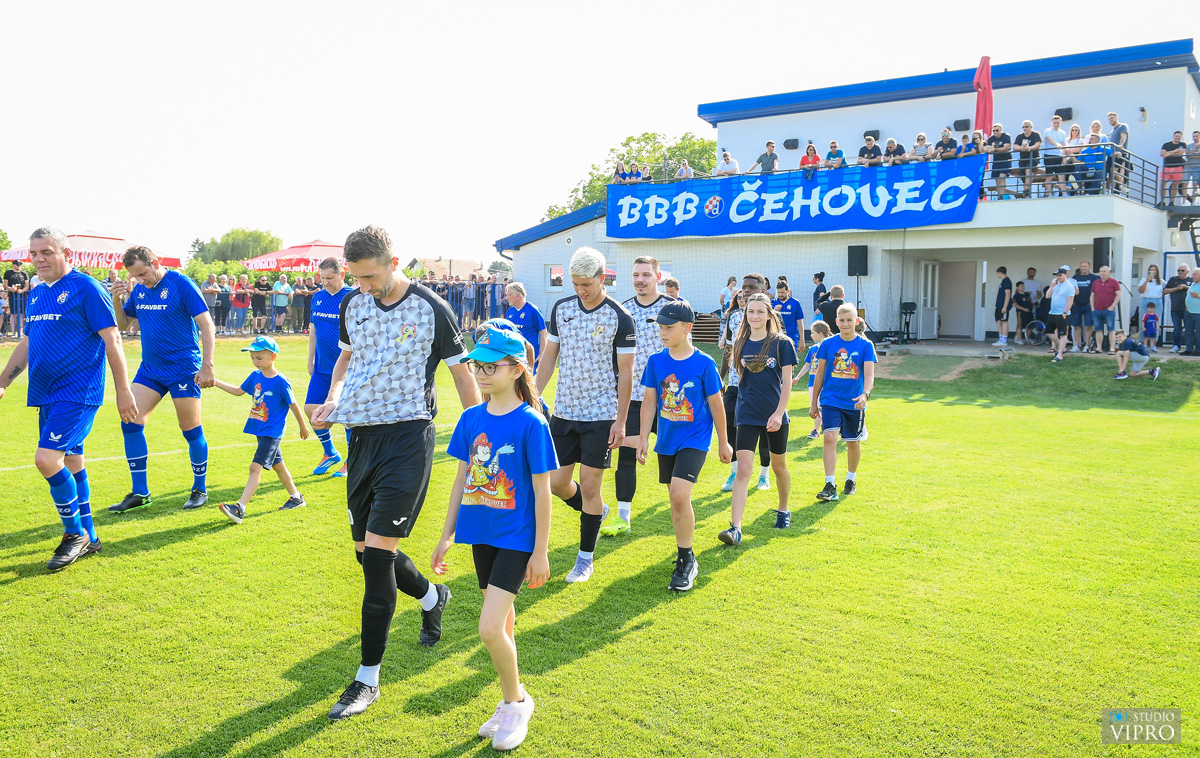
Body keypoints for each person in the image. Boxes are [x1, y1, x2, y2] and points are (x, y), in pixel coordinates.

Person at [311, 225, 480, 721]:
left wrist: (482, 441)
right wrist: (333, 398)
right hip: (360, 439)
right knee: (365, 553)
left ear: (394, 262)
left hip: (408, 439)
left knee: (379, 556)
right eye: (356, 278)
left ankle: (367, 679)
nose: (363, 286)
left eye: (370, 277)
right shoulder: (353, 304)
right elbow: (345, 360)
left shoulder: (432, 308)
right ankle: (431, 597)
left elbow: (463, 377)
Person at [431, 326, 554, 752]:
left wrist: (541, 552)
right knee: (502, 624)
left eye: (491, 367)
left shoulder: (532, 423)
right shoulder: (470, 419)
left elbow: (543, 491)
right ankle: (510, 697)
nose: (481, 374)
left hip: (517, 538)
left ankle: (516, 702)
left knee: (487, 628)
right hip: (480, 534)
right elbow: (461, 479)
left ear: (516, 369)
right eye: (477, 366)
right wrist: (446, 535)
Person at [0, 227, 137, 571]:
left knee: (47, 460)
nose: (39, 259)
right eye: (34, 254)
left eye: (47, 252)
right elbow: (28, 342)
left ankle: (74, 534)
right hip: (45, 393)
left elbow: (113, 339)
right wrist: (3, 381)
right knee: (72, 461)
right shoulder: (36, 293)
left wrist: (123, 391)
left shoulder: (87, 288)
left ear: (66, 254)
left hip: (77, 392)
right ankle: (90, 536)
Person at [536, 247, 636, 582]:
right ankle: (598, 512)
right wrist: (533, 394)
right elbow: (549, 356)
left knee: (591, 487)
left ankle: (584, 560)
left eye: (587, 284)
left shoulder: (620, 317)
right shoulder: (561, 309)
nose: (581, 290)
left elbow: (626, 373)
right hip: (564, 412)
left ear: (602, 278)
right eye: (576, 284)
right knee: (556, 483)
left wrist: (621, 420)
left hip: (601, 415)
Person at [108, 245, 216, 514]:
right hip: (151, 369)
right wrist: (117, 299)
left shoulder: (181, 284)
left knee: (190, 429)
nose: (140, 280)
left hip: (183, 369)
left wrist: (207, 366)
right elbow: (123, 324)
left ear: (155, 263)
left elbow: (206, 324)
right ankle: (140, 493)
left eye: (143, 273)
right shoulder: (140, 289)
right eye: (135, 276)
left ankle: (199, 489)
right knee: (130, 423)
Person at [635, 301, 731, 588]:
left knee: (679, 494)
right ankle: (684, 553)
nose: (662, 332)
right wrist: (643, 437)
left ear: (688, 327)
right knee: (676, 500)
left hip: (695, 438)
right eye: (660, 327)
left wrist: (724, 443)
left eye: (669, 327)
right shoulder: (655, 361)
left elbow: (716, 404)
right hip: (667, 440)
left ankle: (686, 560)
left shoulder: (705, 363)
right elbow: (649, 401)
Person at [720, 292, 795, 546]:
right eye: (750, 311)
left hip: (775, 415)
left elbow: (787, 383)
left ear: (769, 314)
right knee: (743, 469)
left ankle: (783, 509)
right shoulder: (740, 342)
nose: (755, 316)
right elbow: (742, 379)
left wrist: (778, 413)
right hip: (747, 415)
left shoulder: (782, 343)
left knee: (778, 467)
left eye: (760, 311)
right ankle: (735, 528)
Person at [608, 256, 674, 539]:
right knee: (626, 455)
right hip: (633, 396)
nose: (640, 280)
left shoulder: (672, 308)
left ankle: (679, 507)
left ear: (657, 277)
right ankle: (623, 517)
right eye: (636, 274)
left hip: (670, 396)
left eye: (646, 275)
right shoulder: (623, 310)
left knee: (672, 455)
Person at [212, 336, 309, 522]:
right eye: (252, 358)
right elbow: (238, 391)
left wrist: (303, 426)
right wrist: (216, 382)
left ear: (273, 357)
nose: (255, 362)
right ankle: (296, 498)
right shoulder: (255, 376)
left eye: (259, 358)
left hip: (272, 432)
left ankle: (240, 508)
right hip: (260, 429)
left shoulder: (281, 381)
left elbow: (293, 405)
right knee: (278, 465)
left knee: (255, 468)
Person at [811, 303, 876, 501]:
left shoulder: (865, 345)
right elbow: (820, 374)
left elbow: (869, 374)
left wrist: (865, 394)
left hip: (854, 402)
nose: (846, 323)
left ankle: (851, 479)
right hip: (830, 399)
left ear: (856, 321)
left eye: (849, 320)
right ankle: (830, 484)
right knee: (829, 437)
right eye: (842, 320)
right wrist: (814, 402)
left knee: (852, 442)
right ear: (836, 322)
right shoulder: (827, 344)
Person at [307, 257, 353, 478]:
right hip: (322, 367)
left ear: (342, 274)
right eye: (322, 278)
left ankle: (352, 460)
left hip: (347, 370)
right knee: (311, 410)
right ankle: (330, 453)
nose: (325, 282)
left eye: (330, 278)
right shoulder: (317, 297)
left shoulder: (353, 297)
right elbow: (314, 329)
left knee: (348, 416)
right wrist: (310, 359)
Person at [798, 321, 832, 439]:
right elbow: (808, 364)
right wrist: (798, 377)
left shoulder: (830, 348)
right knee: (816, 406)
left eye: (813, 333)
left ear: (820, 334)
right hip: (812, 383)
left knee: (823, 406)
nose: (811, 335)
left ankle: (816, 430)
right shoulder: (813, 349)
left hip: (826, 383)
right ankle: (821, 427)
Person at [504, 282, 547, 370]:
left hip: (529, 356)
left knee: (527, 378)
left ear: (518, 296)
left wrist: (542, 354)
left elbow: (543, 333)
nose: (506, 298)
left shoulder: (533, 311)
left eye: (509, 295)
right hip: (513, 355)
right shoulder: (510, 311)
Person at [1047, 266, 1076, 362]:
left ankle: (1059, 355)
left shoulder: (1069, 286)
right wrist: (1052, 286)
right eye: (1057, 275)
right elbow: (1047, 296)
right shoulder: (1056, 284)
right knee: (1049, 332)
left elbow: (1070, 300)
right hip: (1052, 312)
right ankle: (1061, 347)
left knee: (1063, 334)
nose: (1058, 277)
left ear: (1065, 275)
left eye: (1060, 275)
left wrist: (1065, 312)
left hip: (1062, 313)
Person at [1091, 265, 1121, 354]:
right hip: (1097, 309)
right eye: (1101, 271)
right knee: (1098, 329)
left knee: (1111, 329)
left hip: (1109, 310)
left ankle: (1112, 348)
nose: (1102, 273)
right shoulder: (1096, 282)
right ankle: (1099, 348)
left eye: (1104, 271)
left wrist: (1113, 306)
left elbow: (1119, 294)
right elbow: (1092, 295)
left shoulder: (1114, 282)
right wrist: (1092, 307)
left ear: (1109, 273)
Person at [771, 277, 806, 352]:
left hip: (792, 336)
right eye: (778, 292)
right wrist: (774, 311)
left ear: (788, 291)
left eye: (782, 292)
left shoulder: (795, 303)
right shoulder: (773, 303)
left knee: (792, 357)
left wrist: (802, 340)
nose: (780, 294)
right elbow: (767, 318)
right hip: (777, 336)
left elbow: (800, 322)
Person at [1070, 261, 1099, 352]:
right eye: (1082, 266)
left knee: (1088, 326)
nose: (1083, 268)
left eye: (1085, 266)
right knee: (1076, 326)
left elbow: (1096, 291)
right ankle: (1076, 345)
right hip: (1077, 305)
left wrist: (1093, 303)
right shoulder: (1075, 278)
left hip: (1088, 305)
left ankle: (1087, 345)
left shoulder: (1093, 278)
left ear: (1089, 267)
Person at [1165, 263, 1191, 352]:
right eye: (1178, 270)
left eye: (1182, 270)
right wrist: (1176, 288)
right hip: (1175, 309)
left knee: (1188, 328)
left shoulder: (1191, 280)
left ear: (1187, 271)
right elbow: (1165, 291)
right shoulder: (1173, 279)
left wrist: (1186, 287)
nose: (1180, 272)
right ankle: (1176, 346)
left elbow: (1195, 290)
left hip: (1188, 309)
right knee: (1177, 328)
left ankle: (1189, 347)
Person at [1041, 115, 1068, 197]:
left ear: (1061, 123)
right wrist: (1057, 144)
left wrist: (1064, 156)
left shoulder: (1063, 133)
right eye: (1054, 123)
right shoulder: (1047, 131)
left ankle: (1064, 194)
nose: (1056, 124)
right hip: (1049, 155)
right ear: (1051, 123)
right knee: (1049, 176)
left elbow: (1064, 144)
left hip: (1059, 156)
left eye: (1057, 122)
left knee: (1061, 176)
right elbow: (1050, 139)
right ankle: (1049, 194)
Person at [985, 124, 1014, 198]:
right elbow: (987, 148)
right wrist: (990, 149)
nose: (995, 132)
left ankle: (1001, 195)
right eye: (993, 131)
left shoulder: (1006, 136)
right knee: (997, 180)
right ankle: (999, 196)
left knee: (1002, 176)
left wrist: (995, 149)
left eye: (997, 130)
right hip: (996, 161)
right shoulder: (991, 139)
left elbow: (1006, 147)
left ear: (1001, 130)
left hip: (1006, 160)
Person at [1137, 264, 1165, 339]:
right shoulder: (1144, 280)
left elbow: (1167, 288)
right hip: (1145, 301)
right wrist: (1147, 281)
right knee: (1143, 322)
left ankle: (1154, 343)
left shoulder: (1161, 281)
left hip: (1157, 301)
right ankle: (1142, 342)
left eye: (1154, 270)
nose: (1153, 272)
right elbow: (1140, 290)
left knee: (1155, 322)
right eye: (1151, 270)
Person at [1161, 130, 1188, 206]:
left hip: (1177, 166)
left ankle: (1172, 202)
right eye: (1176, 136)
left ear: (1181, 137)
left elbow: (1180, 153)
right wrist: (1174, 151)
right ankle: (1162, 201)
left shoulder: (1183, 144)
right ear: (1173, 136)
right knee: (1163, 184)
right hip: (1167, 166)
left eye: (1179, 136)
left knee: (1175, 184)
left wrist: (1168, 153)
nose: (1177, 137)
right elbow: (1162, 154)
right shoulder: (1166, 144)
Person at [4, 260, 29, 339]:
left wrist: (22, 290)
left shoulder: (24, 273)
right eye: (17, 264)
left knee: (21, 314)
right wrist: (10, 289)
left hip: (21, 296)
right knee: (13, 314)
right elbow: (5, 285)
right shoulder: (8, 273)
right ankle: (13, 332)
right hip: (12, 296)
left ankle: (20, 332)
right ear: (13, 265)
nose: (19, 266)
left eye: (20, 264)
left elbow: (27, 286)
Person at [1108, 112, 1131, 191]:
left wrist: (1121, 144)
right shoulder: (1112, 131)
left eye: (1112, 118)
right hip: (1112, 154)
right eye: (1109, 119)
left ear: (1116, 118)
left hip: (1120, 153)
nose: (1110, 120)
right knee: (1110, 173)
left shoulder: (1122, 126)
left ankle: (1122, 184)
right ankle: (1110, 189)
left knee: (1113, 171)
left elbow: (1123, 136)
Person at [993, 266, 1013, 346]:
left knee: (1004, 321)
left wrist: (1005, 307)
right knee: (998, 321)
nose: (997, 275)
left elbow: (1008, 294)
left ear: (1000, 273)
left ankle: (1004, 340)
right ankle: (1000, 339)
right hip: (999, 305)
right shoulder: (1003, 281)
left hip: (1003, 306)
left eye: (998, 273)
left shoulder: (1007, 281)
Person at [1184, 268, 1200, 355]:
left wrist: (1198, 296)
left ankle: (1198, 350)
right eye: (1193, 274)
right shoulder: (1193, 284)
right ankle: (1189, 349)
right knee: (1188, 332)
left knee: (1198, 333)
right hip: (1189, 312)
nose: (1192, 276)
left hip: (1198, 313)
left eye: (1195, 274)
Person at [1185, 130, 1200, 205]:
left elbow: (1191, 156)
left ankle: (1193, 202)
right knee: (1185, 184)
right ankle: (1184, 202)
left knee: (1195, 185)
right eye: (1194, 136)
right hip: (1188, 167)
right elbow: (1188, 156)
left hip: (1198, 167)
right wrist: (1195, 147)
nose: (1195, 137)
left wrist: (1192, 155)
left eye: (1196, 136)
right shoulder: (1189, 146)